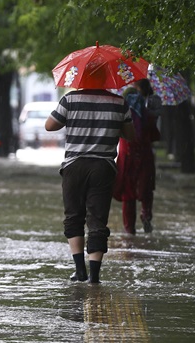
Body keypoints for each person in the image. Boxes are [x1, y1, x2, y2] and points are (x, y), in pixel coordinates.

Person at [45, 66, 135, 284]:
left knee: (74, 215)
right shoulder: (119, 102)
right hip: (103, 167)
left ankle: (80, 270)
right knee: (97, 219)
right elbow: (130, 135)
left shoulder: (70, 100)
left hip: (74, 165)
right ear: (106, 78)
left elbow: (49, 126)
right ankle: (94, 275)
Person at [113, 87, 160, 235]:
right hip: (145, 157)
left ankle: (129, 229)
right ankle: (146, 214)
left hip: (127, 158)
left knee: (128, 194)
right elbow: (156, 136)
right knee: (145, 189)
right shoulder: (147, 115)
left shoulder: (123, 115)